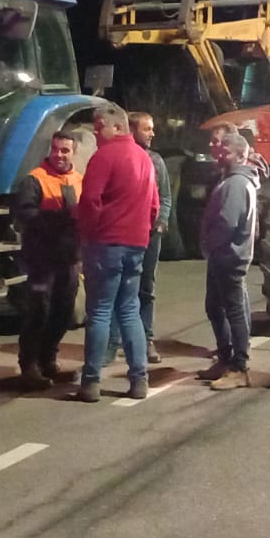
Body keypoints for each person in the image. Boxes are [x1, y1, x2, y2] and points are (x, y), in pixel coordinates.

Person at [73, 104, 158, 403]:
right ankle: (139, 380)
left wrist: (87, 235)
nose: (95, 134)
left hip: (106, 244)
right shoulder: (144, 159)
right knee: (129, 310)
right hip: (136, 244)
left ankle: (91, 382)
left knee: (99, 312)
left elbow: (90, 201)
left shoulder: (104, 157)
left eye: (99, 127)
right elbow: (154, 207)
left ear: (117, 127)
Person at [11, 131, 83, 390]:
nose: (60, 155)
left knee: (63, 313)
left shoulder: (78, 180)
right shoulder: (35, 180)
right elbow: (25, 214)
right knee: (38, 312)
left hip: (69, 259)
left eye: (65, 150)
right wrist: (62, 217)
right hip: (42, 259)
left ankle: (48, 360)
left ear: (73, 152)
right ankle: (29, 365)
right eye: (56, 149)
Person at [199, 130, 261, 390]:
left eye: (225, 151)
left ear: (239, 154)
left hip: (229, 256)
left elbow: (227, 222)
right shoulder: (234, 180)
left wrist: (210, 244)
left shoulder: (236, 183)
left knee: (234, 311)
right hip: (224, 254)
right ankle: (226, 358)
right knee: (215, 307)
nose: (220, 154)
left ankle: (239, 366)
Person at [106, 112, 169, 366]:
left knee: (146, 287)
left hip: (149, 235)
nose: (152, 133)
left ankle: (146, 339)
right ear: (132, 130)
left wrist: (161, 222)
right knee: (115, 289)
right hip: (123, 234)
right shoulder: (117, 157)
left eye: (152, 128)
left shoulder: (156, 161)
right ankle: (112, 343)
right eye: (147, 129)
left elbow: (164, 197)